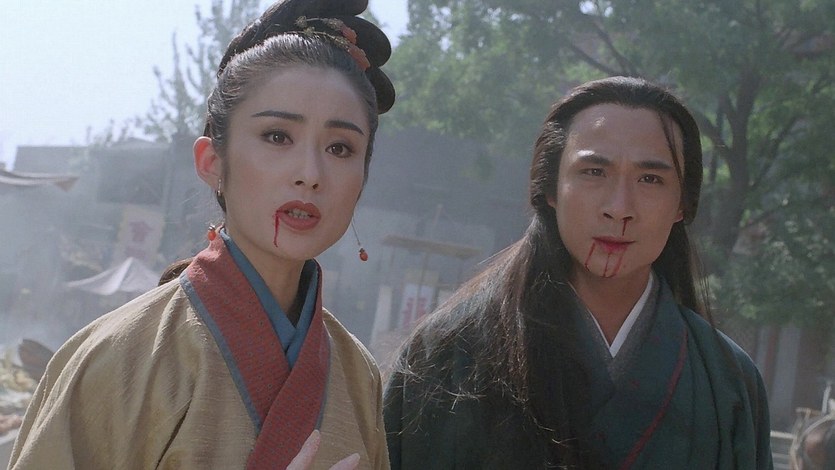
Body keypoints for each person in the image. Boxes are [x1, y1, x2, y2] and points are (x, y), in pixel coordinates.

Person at [9, 0, 394, 468]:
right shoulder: (119, 357)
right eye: (277, 136)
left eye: (340, 148)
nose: (310, 174)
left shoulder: (358, 375)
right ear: (212, 162)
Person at [383, 76, 772, 469]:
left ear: (682, 205)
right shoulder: (449, 352)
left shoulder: (729, 382)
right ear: (551, 188)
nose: (619, 208)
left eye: (650, 179)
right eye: (594, 172)